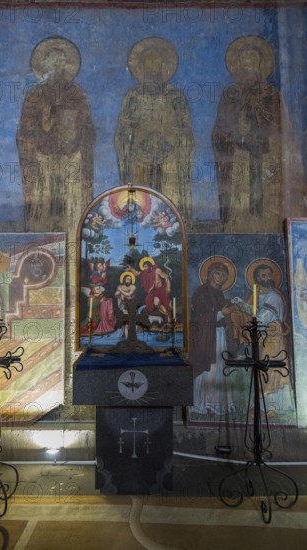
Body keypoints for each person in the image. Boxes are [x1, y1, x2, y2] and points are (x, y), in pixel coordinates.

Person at [212, 35, 306, 232]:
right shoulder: (231, 95)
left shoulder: (272, 95)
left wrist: (267, 139)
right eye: (244, 62)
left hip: (267, 159)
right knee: (242, 205)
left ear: (261, 65)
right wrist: (238, 137)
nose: (248, 67)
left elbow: (285, 135)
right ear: (237, 66)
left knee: (268, 208)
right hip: (240, 159)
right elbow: (220, 131)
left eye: (253, 61)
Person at [17, 37, 95, 232]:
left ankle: (73, 241)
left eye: (62, 62)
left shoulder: (77, 93)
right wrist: (42, 133)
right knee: (43, 208)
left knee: (70, 211)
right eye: (54, 62)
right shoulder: (35, 94)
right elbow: (25, 129)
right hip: (43, 159)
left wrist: (77, 140)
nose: (58, 67)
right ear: (45, 66)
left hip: (71, 158)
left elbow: (87, 126)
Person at [115, 37, 194, 220]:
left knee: (169, 206)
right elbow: (122, 132)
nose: (152, 67)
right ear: (141, 67)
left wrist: (176, 140)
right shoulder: (133, 97)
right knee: (140, 209)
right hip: (139, 159)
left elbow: (185, 131)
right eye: (147, 62)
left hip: (169, 158)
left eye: (156, 61)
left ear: (163, 66)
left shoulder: (175, 97)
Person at [231, 262, 293, 416]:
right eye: (263, 275)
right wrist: (241, 306)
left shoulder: (274, 297)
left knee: (271, 371)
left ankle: (273, 407)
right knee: (260, 370)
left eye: (269, 274)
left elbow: (260, 319)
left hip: (273, 339)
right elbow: (256, 314)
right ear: (257, 278)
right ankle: (261, 407)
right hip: (262, 339)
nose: (267, 278)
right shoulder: (258, 295)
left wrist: (244, 310)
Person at [189, 260, 237, 416]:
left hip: (218, 337)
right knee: (209, 371)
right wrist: (223, 313)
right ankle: (204, 405)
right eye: (217, 273)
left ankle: (217, 405)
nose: (220, 278)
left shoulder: (220, 294)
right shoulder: (201, 293)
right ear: (209, 274)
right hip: (205, 338)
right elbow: (199, 318)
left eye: (224, 275)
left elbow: (221, 315)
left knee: (219, 370)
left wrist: (228, 316)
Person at [126, 256, 171, 321]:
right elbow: (137, 273)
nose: (145, 268)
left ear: (149, 265)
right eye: (144, 267)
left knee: (165, 304)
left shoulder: (157, 270)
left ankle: (169, 317)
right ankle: (167, 315)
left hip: (161, 290)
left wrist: (168, 287)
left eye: (146, 266)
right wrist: (130, 269)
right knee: (156, 303)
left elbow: (166, 277)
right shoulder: (145, 272)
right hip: (153, 292)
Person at [114, 271, 136, 339]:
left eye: (130, 279)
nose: (128, 280)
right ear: (124, 279)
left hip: (131, 306)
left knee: (129, 323)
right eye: (127, 279)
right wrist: (123, 293)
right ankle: (127, 339)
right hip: (124, 307)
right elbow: (116, 295)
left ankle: (129, 338)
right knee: (126, 323)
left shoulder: (133, 286)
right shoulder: (121, 286)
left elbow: (129, 295)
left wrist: (120, 290)